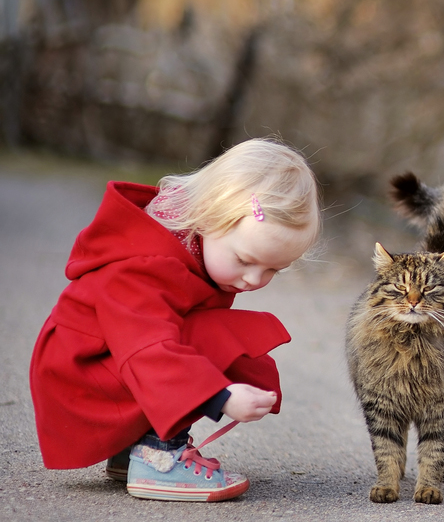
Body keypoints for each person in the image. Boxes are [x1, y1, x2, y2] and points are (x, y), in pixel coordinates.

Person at [30, 138, 322, 502]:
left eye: (273, 270)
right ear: (208, 216)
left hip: (104, 365)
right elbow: (149, 349)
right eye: (245, 260)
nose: (254, 280)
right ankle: (158, 458)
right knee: (221, 336)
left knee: (213, 331)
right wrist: (218, 395)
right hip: (83, 377)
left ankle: (133, 449)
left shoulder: (191, 248)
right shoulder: (146, 267)